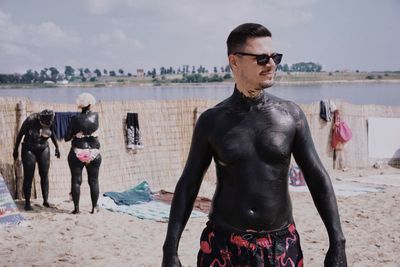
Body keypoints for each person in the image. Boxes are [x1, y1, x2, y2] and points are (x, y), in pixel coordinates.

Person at [162, 23, 347, 266]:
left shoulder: (290, 116)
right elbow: (188, 185)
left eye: (275, 57)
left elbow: (317, 177)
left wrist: (337, 243)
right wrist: (170, 251)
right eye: (261, 58)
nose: (271, 64)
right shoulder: (212, 121)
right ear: (235, 61)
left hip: (279, 245)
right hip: (223, 243)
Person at [13, 109, 60, 210]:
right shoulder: (30, 120)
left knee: (44, 174)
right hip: (29, 148)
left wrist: (57, 147)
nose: (46, 125)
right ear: (39, 118)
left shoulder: (50, 120)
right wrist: (15, 150)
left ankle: (45, 200)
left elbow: (52, 134)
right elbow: (20, 134)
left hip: (44, 148)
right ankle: (27, 203)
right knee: (29, 175)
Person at [65, 93, 101, 214]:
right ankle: (94, 208)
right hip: (94, 152)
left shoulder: (75, 119)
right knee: (94, 181)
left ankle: (76, 209)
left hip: (78, 151)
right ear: (90, 104)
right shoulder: (96, 116)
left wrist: (75, 133)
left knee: (76, 180)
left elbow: (66, 137)